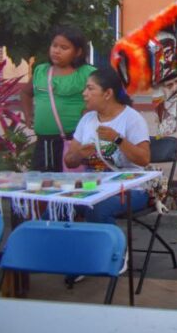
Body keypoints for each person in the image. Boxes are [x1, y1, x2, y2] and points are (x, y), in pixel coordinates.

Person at [64, 67, 152, 223]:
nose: (84, 93)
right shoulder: (87, 119)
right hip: (93, 186)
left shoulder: (132, 119)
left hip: (129, 188)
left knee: (99, 209)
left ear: (107, 93)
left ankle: (109, 240)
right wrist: (79, 155)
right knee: (61, 204)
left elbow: (144, 159)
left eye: (90, 88)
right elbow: (69, 161)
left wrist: (118, 139)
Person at [20, 25, 96, 171]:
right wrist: (28, 115)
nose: (56, 51)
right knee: (42, 181)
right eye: (54, 45)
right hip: (44, 144)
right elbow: (25, 93)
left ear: (78, 52)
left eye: (64, 47)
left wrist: (89, 112)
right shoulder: (41, 71)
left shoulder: (87, 73)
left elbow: (104, 98)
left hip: (74, 142)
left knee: (74, 182)